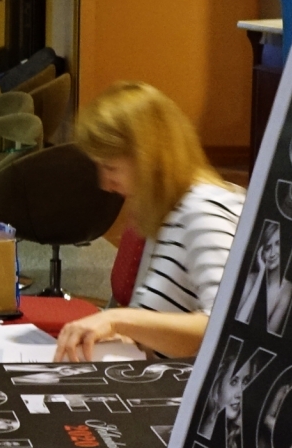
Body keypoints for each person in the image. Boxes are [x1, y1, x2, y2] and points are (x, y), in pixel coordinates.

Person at [54, 81, 244, 360]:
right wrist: (130, 334)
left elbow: (228, 324)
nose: (105, 183)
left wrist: (119, 320)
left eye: (110, 167)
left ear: (149, 158)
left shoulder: (204, 211)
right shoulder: (171, 208)